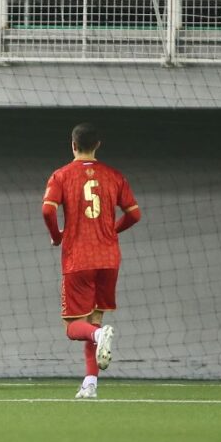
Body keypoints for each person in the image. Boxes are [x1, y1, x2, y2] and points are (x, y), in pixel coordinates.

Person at [42, 123, 141, 399]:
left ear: (73, 145)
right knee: (95, 319)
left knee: (74, 328)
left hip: (79, 258)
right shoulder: (114, 176)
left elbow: (47, 210)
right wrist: (111, 231)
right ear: (98, 145)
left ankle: (98, 338)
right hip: (108, 259)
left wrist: (57, 236)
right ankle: (90, 384)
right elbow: (134, 214)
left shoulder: (61, 176)